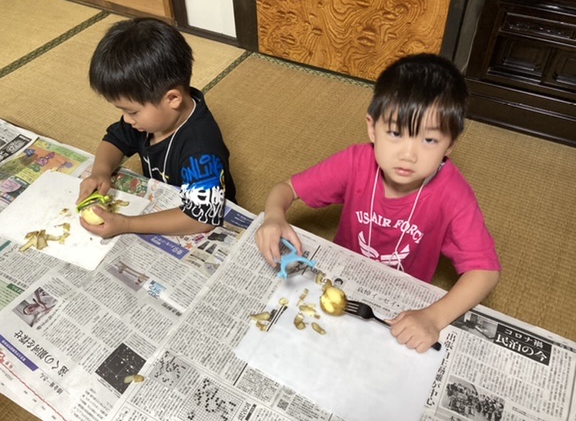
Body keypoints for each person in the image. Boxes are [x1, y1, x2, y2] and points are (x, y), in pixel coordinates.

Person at [255, 53, 500, 353]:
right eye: (395, 133)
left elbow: (486, 270)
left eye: (429, 140)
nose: (408, 155)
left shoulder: (453, 193)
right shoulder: (355, 162)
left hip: (401, 300)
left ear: (450, 144)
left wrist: (433, 317)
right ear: (372, 128)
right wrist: (274, 216)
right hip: (342, 277)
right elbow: (286, 189)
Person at [77, 18, 236, 238]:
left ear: (172, 99)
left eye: (132, 112)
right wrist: (100, 172)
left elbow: (202, 218)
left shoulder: (200, 149)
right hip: (164, 200)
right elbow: (114, 140)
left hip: (197, 221)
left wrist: (126, 224)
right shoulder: (150, 120)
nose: (127, 119)